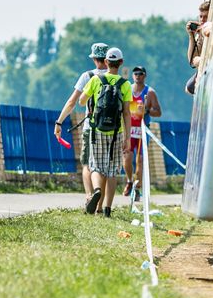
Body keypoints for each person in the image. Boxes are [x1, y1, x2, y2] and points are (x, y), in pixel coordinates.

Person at [59, 46, 131, 217]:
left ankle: (96, 190)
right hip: (116, 131)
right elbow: (127, 113)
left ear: (106, 61)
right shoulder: (125, 84)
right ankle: (107, 209)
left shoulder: (95, 79)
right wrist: (127, 138)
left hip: (96, 130)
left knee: (96, 166)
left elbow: (81, 101)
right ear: (121, 62)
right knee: (112, 170)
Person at [55, 42, 108, 200]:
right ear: (107, 59)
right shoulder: (115, 78)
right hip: (110, 129)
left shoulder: (88, 76)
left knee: (87, 164)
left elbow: (72, 102)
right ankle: (101, 205)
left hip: (90, 128)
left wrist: (59, 122)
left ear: (94, 59)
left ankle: (89, 196)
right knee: (104, 167)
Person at [124, 65, 162, 196]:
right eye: (135, 73)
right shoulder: (127, 89)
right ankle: (129, 181)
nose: (137, 76)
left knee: (140, 160)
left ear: (144, 76)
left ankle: (137, 187)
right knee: (127, 157)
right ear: (132, 75)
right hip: (129, 130)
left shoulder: (150, 92)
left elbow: (158, 112)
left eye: (140, 74)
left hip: (142, 131)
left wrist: (147, 110)